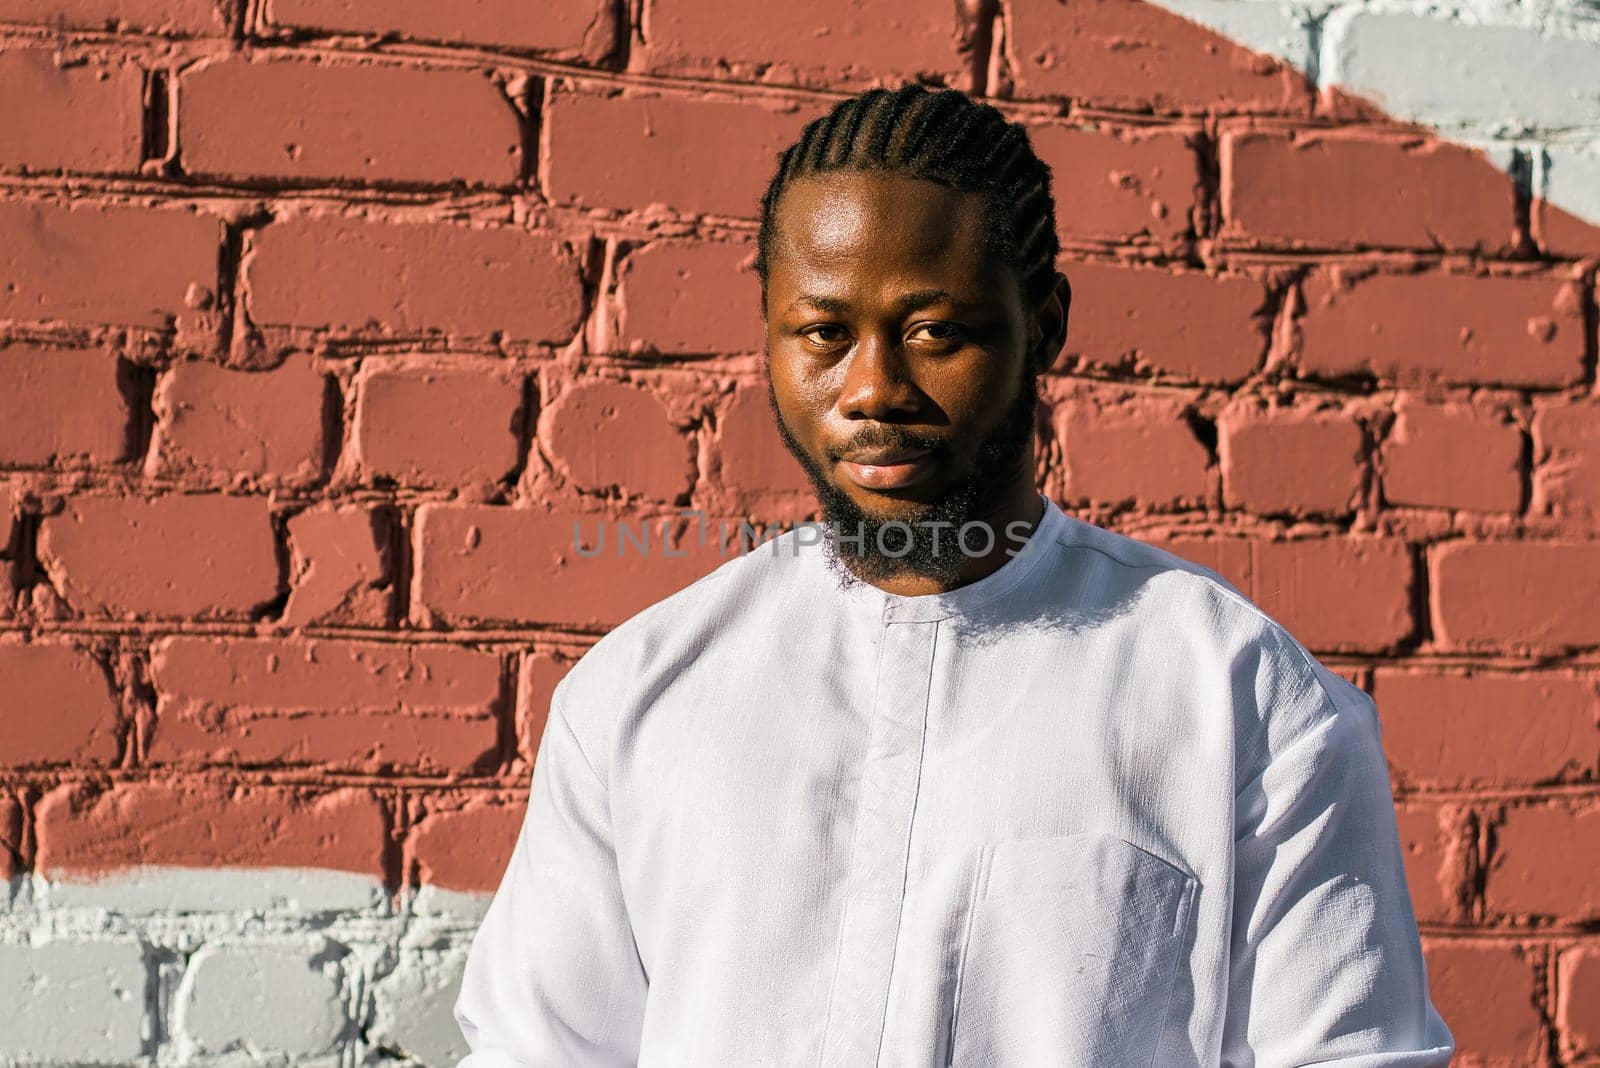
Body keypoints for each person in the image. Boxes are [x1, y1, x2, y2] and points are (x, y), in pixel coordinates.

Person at [454, 83, 1454, 1066]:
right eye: (823, 335)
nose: (874, 389)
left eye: (935, 332)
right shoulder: (641, 697)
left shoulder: (1240, 698)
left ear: (1045, 325)